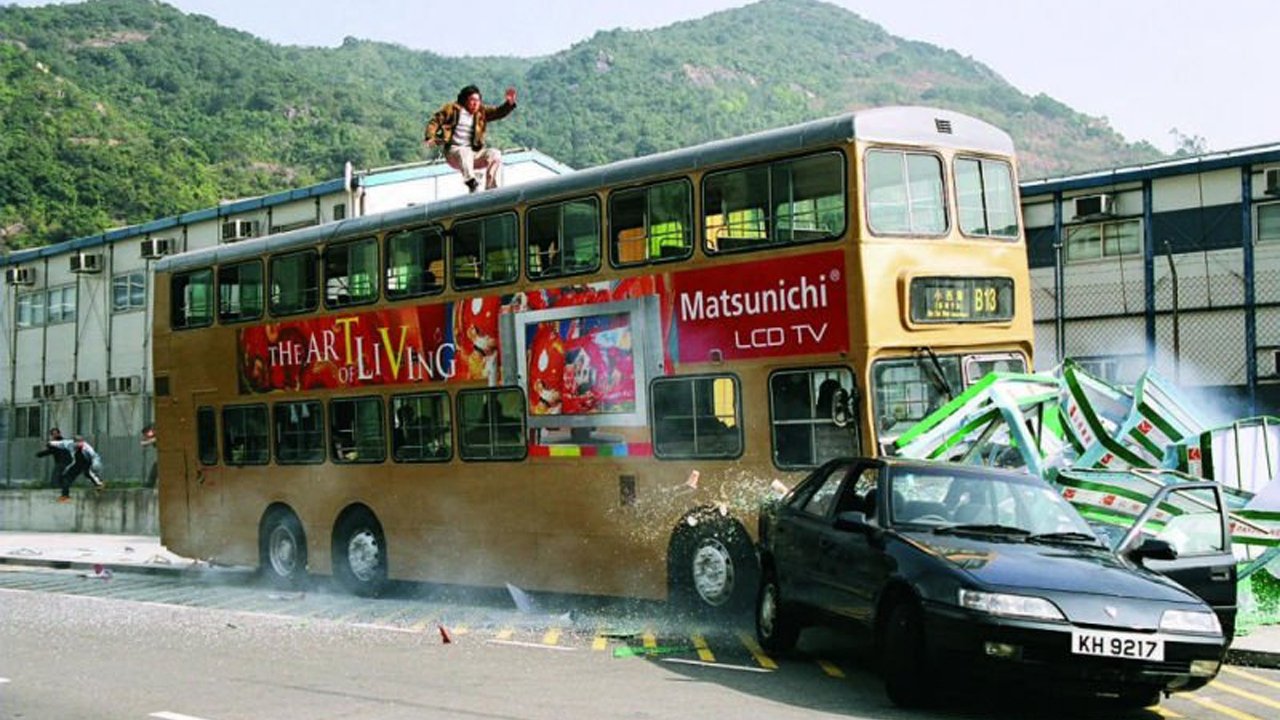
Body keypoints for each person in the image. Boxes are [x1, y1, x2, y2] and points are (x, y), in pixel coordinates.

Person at [424, 84, 518, 193]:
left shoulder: (481, 112)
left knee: (495, 154)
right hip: (454, 153)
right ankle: (471, 182)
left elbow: (498, 112)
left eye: (478, 100)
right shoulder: (452, 109)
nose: (475, 103)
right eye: (472, 100)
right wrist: (430, 136)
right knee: (464, 151)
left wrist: (509, 103)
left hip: (473, 154)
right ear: (465, 100)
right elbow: (435, 121)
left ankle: (491, 186)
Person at [49, 435, 105, 501]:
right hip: (77, 464)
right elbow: (61, 443)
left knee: (88, 473)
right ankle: (65, 496)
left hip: (87, 463)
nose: (78, 445)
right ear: (74, 442)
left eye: (80, 443)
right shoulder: (69, 444)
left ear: (83, 442)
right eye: (77, 443)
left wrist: (95, 464)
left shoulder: (87, 447)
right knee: (66, 477)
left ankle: (99, 484)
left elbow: (94, 456)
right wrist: (51, 443)